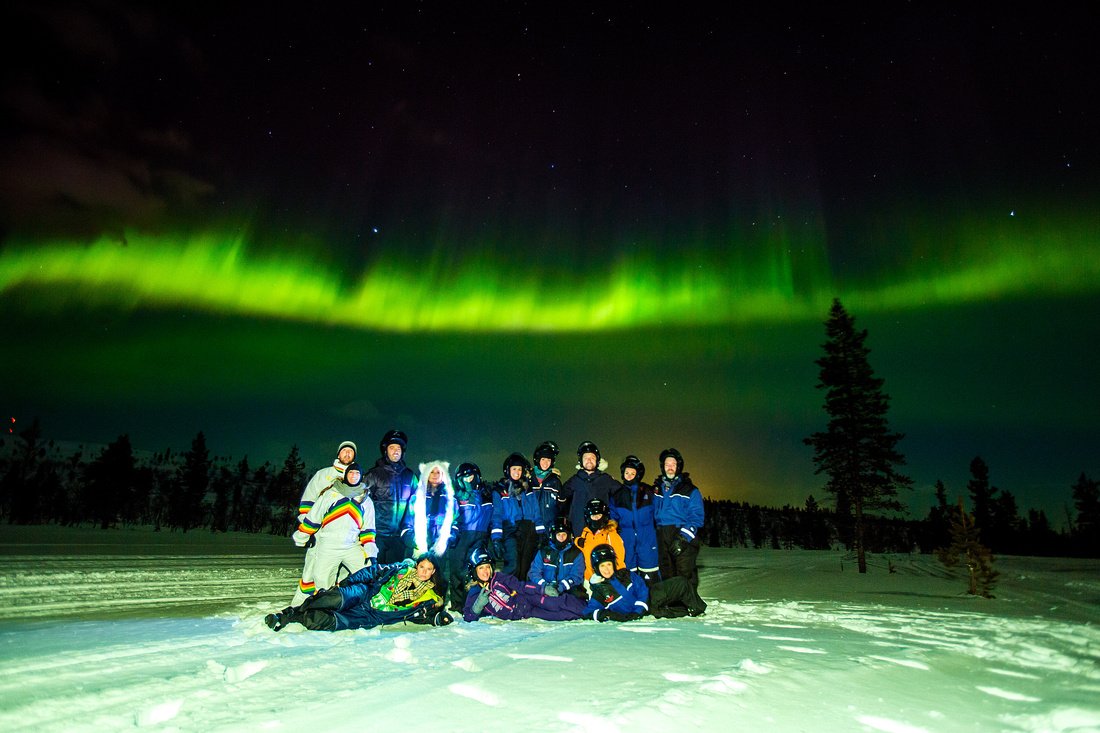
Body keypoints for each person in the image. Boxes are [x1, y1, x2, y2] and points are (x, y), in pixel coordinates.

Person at [266, 554, 453, 631]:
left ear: (434, 571)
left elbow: (423, 617)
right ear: (417, 566)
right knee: (333, 599)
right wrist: (347, 582)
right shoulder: (400, 569)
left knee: (329, 621)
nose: (423, 572)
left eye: (429, 569)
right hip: (366, 593)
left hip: (372, 615)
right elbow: (372, 571)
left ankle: (295, 619)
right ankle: (286, 615)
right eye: (422, 567)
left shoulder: (429, 597)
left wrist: (439, 618)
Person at [288, 462, 377, 607]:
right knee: (322, 580)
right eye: (351, 473)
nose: (354, 476)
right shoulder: (331, 493)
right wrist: (304, 536)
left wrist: (370, 553)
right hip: (328, 545)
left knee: (366, 573)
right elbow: (314, 517)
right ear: (346, 475)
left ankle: (363, 605)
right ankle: (325, 607)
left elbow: (368, 529)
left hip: (351, 546)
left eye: (357, 474)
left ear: (361, 477)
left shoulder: (366, 500)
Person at [584, 544, 706, 622]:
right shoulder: (599, 591)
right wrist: (608, 615)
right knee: (672, 611)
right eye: (602, 566)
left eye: (609, 564)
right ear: (596, 568)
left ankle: (697, 608)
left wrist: (639, 609)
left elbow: (642, 589)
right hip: (647, 611)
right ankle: (685, 610)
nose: (607, 569)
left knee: (681, 582)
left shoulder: (624, 574)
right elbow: (588, 612)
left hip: (650, 598)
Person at [462, 548, 587, 623]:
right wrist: (477, 607)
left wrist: (542, 589)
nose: (486, 571)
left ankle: (589, 610)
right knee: (557, 616)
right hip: (524, 614)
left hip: (527, 599)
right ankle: (582, 616)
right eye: (481, 568)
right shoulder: (475, 593)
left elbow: (521, 586)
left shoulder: (498, 578)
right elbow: (468, 617)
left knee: (555, 603)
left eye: (487, 567)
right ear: (474, 571)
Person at [653, 447, 705, 590]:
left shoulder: (690, 490)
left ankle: (689, 603)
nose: (670, 468)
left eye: (673, 464)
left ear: (678, 466)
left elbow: (697, 517)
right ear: (663, 467)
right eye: (667, 464)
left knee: (684, 571)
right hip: (662, 533)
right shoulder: (656, 489)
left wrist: (683, 538)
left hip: (681, 533)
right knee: (666, 571)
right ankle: (672, 603)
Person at [363, 429, 416, 564]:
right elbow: (360, 502)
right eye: (392, 447)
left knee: (394, 577)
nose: (395, 451)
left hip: (399, 537)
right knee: (374, 576)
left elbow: (417, 504)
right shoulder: (374, 474)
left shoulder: (410, 476)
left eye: (398, 448)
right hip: (377, 536)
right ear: (385, 450)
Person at [407, 460, 456, 602]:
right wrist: (410, 539)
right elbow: (408, 520)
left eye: (438, 472)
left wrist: (450, 537)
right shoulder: (417, 496)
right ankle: (415, 603)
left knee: (438, 575)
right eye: (431, 472)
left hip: (440, 543)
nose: (435, 475)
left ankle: (436, 603)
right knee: (418, 574)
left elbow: (456, 520)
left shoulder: (449, 497)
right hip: (420, 543)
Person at [448, 462, 492, 612]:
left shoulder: (486, 494)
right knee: (457, 569)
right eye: (465, 477)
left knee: (475, 570)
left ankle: (474, 602)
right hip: (461, 536)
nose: (469, 480)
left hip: (480, 535)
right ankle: (457, 604)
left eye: (471, 476)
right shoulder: (457, 495)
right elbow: (452, 515)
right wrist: (451, 533)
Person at [610, 455, 659, 582]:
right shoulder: (617, 495)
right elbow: (612, 516)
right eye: (627, 472)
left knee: (650, 575)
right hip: (627, 540)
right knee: (628, 575)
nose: (629, 475)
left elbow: (658, 512)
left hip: (647, 539)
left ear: (638, 474)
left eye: (633, 473)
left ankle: (653, 600)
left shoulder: (649, 491)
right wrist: (612, 526)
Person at [560, 441, 620, 539]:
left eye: (592, 458)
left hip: (600, 529)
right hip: (578, 530)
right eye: (586, 458)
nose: (589, 460)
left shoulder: (605, 479)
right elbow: (560, 499)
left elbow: (622, 495)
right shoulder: (574, 480)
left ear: (597, 460)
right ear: (580, 461)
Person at [528, 516, 587, 601]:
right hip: (545, 589)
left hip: (567, 589)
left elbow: (577, 576)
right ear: (553, 536)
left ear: (569, 536)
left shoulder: (576, 553)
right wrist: (545, 586)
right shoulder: (543, 552)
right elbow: (534, 572)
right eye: (558, 534)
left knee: (578, 598)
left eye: (564, 534)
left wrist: (561, 587)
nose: (561, 537)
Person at [489, 453, 528, 575]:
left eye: (520, 469)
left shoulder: (525, 489)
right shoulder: (500, 491)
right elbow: (497, 514)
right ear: (507, 470)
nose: (517, 472)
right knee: (512, 564)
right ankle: (505, 590)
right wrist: (496, 539)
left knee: (524, 566)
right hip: (509, 530)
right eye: (514, 469)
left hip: (524, 531)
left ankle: (520, 592)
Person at [298, 440, 357, 517]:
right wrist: (306, 518)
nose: (347, 453)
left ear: (354, 456)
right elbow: (310, 495)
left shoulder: (358, 478)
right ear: (338, 455)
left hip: (347, 525)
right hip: (322, 522)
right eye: (344, 450)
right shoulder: (322, 474)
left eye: (351, 451)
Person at [574, 497, 626, 582]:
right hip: (589, 578)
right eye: (594, 516)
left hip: (607, 579)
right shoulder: (586, 533)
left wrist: (618, 577)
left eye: (599, 515)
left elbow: (619, 558)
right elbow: (584, 549)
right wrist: (577, 541)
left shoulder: (611, 535)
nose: (597, 518)